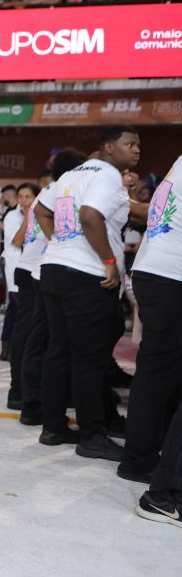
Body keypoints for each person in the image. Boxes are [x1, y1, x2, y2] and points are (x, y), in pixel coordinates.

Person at [34, 126, 141, 461]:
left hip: (54, 270)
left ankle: (53, 427)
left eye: (139, 144)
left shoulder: (73, 174)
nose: (136, 149)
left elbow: (40, 209)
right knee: (90, 360)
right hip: (87, 278)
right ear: (109, 148)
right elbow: (90, 216)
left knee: (59, 352)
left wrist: (60, 243)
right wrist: (108, 260)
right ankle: (93, 435)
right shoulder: (108, 175)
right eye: (130, 144)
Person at [13, 151, 88, 425]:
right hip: (42, 270)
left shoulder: (51, 191)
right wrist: (59, 241)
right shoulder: (60, 191)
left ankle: (33, 400)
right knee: (39, 342)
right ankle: (28, 400)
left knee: (40, 341)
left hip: (41, 269)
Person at [120, 155, 182, 483]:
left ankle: (151, 452)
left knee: (165, 371)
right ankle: (139, 459)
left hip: (156, 270)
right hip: (170, 275)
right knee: (157, 374)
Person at [3, 183, 40, 407]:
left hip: (34, 274)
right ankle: (17, 388)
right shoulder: (11, 216)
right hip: (19, 273)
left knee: (19, 321)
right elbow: (18, 240)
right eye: (21, 196)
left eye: (29, 196)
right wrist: (31, 216)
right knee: (22, 326)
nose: (24, 200)